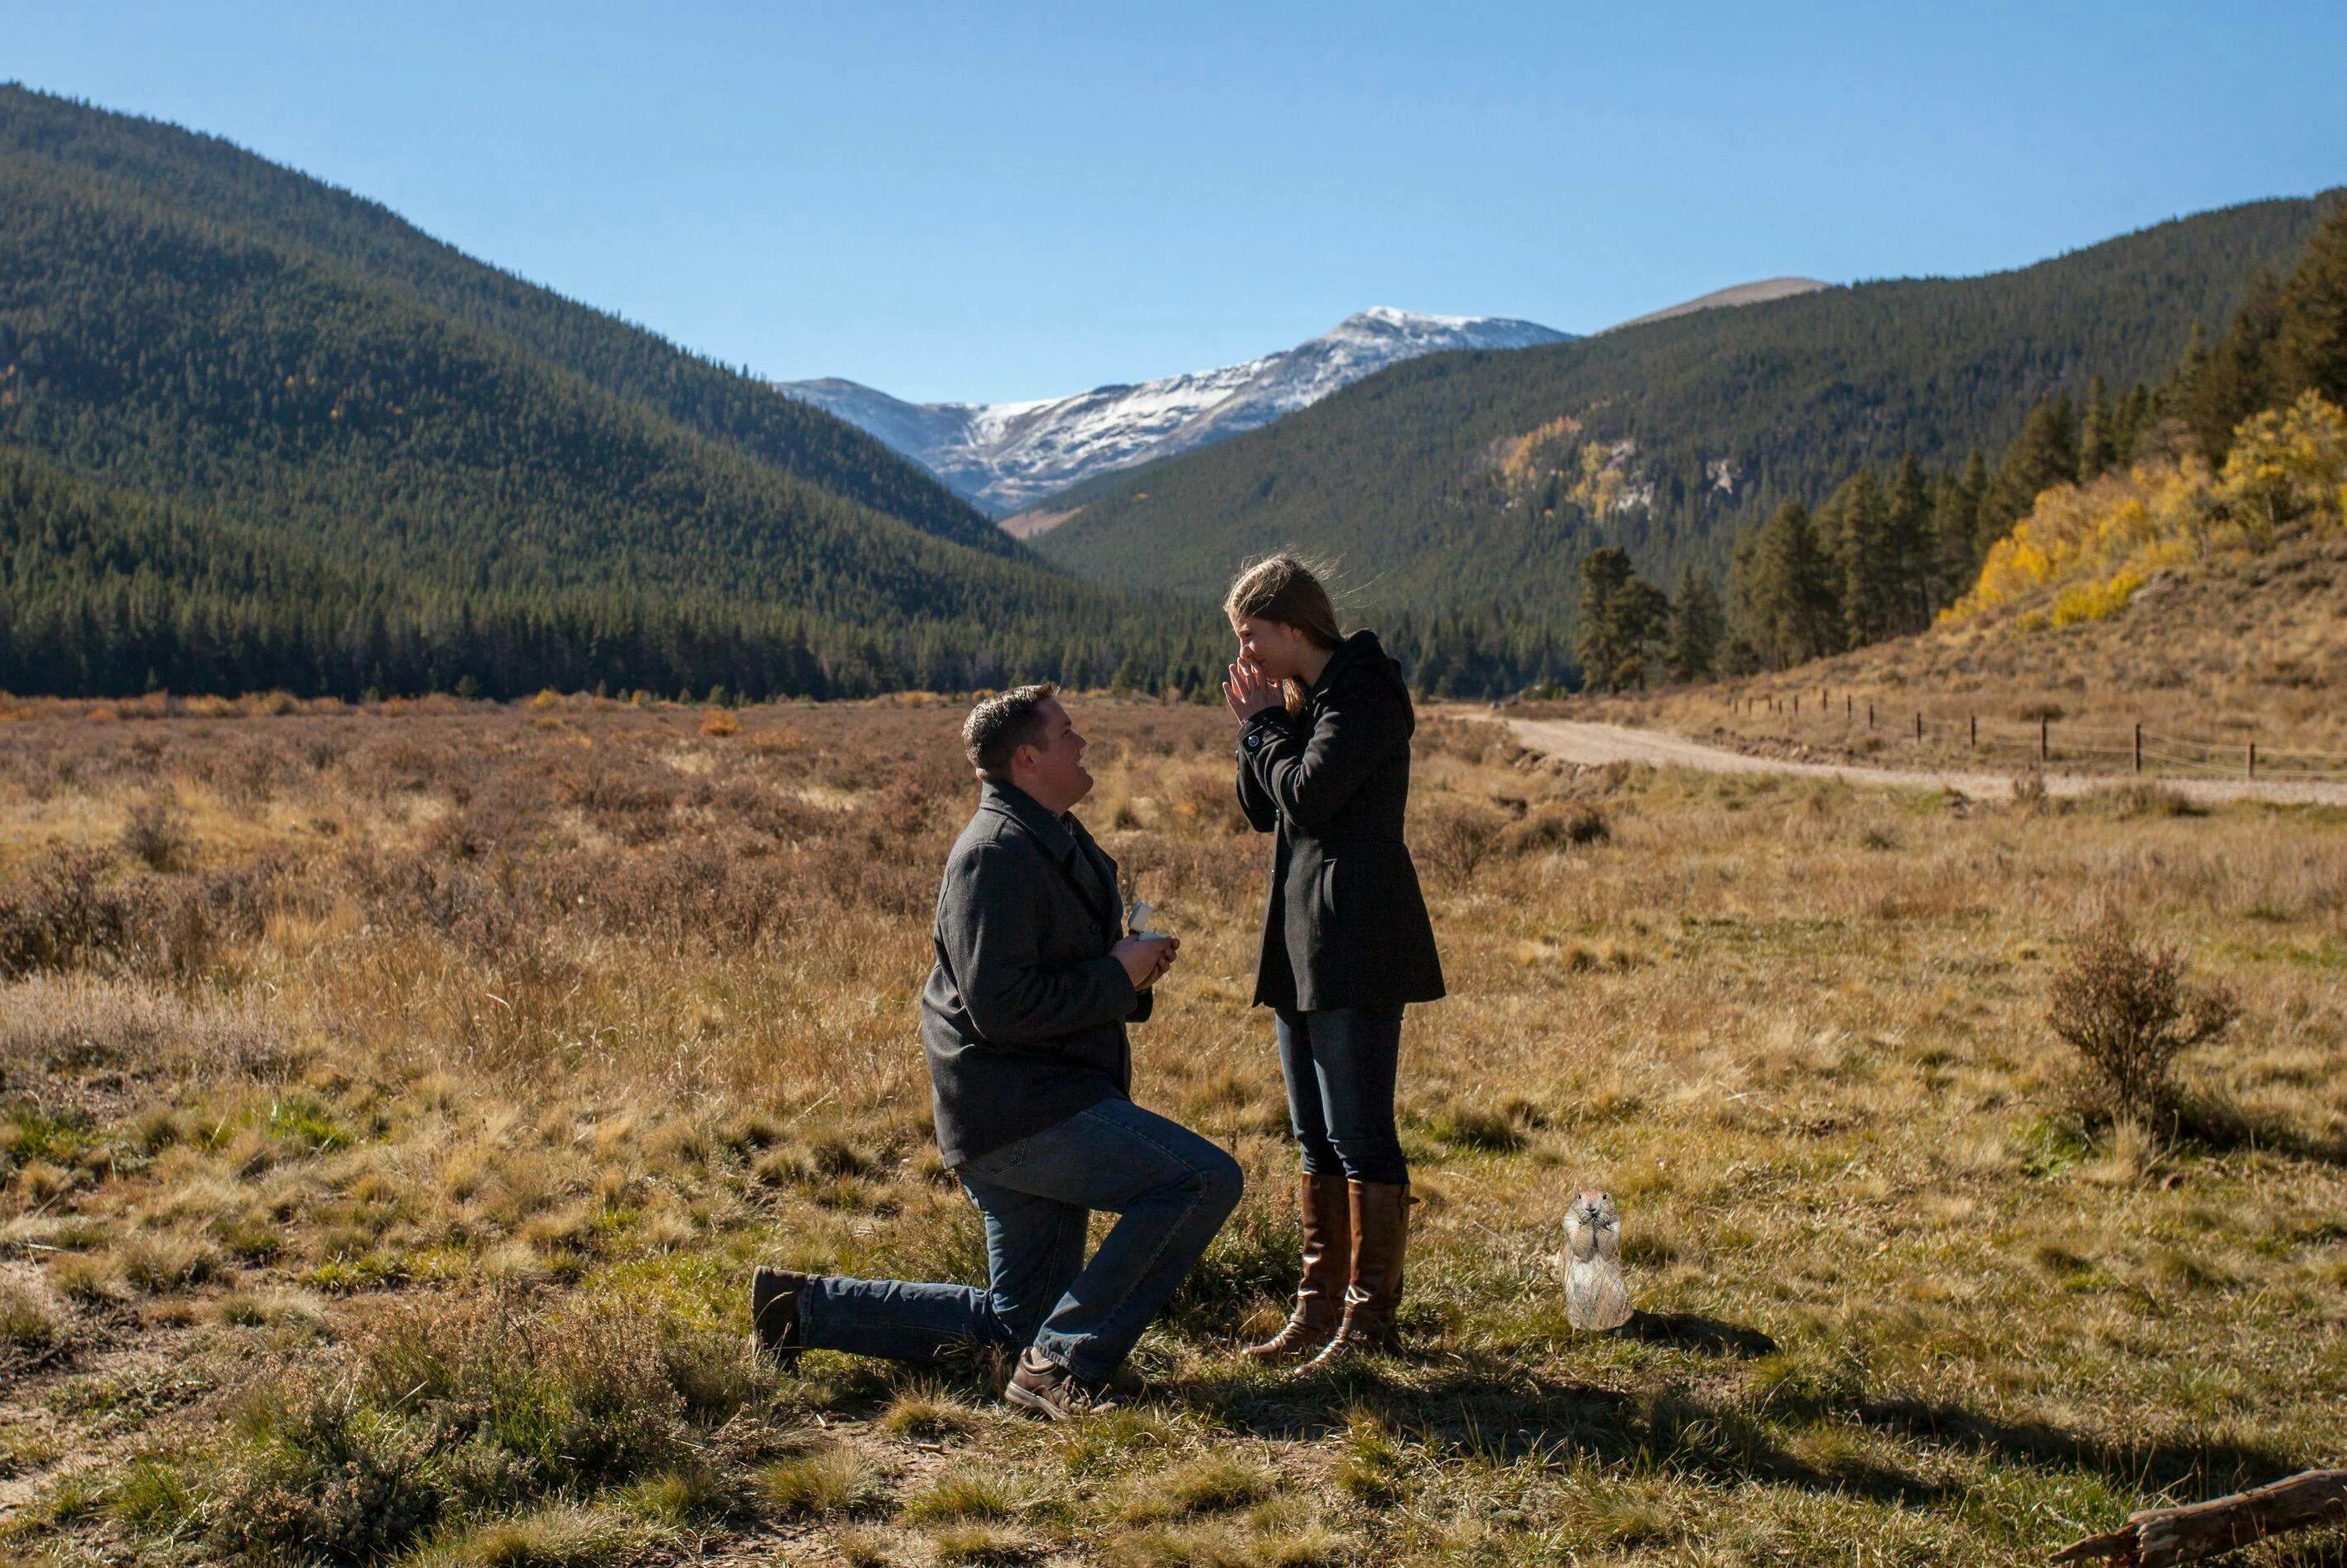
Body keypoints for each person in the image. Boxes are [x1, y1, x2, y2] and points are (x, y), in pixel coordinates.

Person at [751, 685, 1243, 1418]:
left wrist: (1127, 971)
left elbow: (1055, 972)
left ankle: (800, 1310)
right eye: (1068, 733)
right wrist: (1117, 975)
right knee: (1200, 1180)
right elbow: (1002, 1007)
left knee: (1020, 1327)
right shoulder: (994, 854)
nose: (1083, 744)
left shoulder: (1057, 835)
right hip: (1020, 1116)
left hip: (1042, 1103)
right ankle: (1063, 1369)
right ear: (1028, 757)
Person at [1221, 556, 1444, 1368]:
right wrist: (1259, 724)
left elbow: (1310, 794)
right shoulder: (1308, 702)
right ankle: (1317, 1311)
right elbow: (1260, 805)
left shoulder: (1365, 693)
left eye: (1251, 636)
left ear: (1292, 624)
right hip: (1302, 939)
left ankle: (1367, 1322)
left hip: (1356, 937)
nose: (1245, 654)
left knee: (1358, 1133)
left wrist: (1260, 728)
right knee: (1314, 1136)